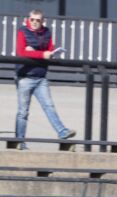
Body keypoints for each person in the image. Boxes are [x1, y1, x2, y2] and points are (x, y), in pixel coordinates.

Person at [15, 9, 76, 150]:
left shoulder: (47, 32)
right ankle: (19, 142)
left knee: (49, 106)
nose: (35, 22)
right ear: (28, 19)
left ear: (42, 21)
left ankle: (62, 131)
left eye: (38, 20)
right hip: (25, 76)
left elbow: (50, 50)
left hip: (41, 77)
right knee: (23, 112)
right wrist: (42, 54)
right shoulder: (22, 31)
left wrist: (47, 53)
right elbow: (21, 52)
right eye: (32, 19)